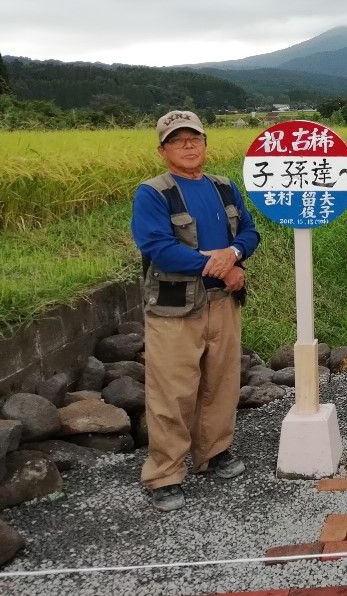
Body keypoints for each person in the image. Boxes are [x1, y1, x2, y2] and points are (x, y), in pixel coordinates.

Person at [131, 110, 260, 512]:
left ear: (205, 143)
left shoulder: (224, 187)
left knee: (221, 382)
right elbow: (157, 246)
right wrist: (222, 266)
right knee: (172, 390)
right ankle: (164, 473)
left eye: (194, 138)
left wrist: (235, 253)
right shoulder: (153, 192)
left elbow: (250, 231)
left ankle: (214, 453)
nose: (188, 146)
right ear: (163, 150)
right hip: (175, 306)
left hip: (222, 302)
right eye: (177, 140)